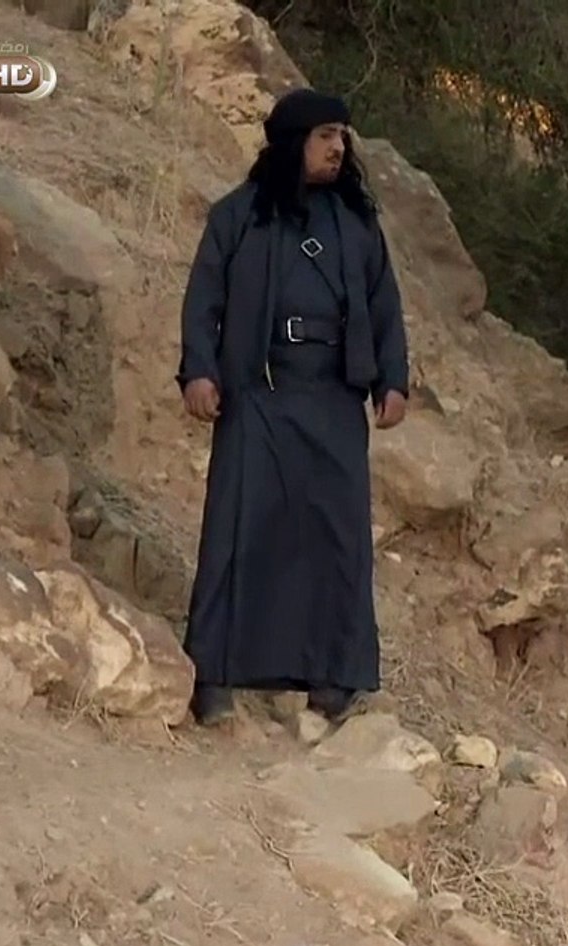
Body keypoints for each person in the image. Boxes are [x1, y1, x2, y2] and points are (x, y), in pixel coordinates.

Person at [175, 86, 410, 726]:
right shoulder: (238, 216)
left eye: (342, 136)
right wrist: (200, 372)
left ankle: (334, 678)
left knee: (337, 539)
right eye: (325, 135)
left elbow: (385, 306)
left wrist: (392, 380)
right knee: (239, 530)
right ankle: (214, 675)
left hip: (334, 397)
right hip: (257, 395)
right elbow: (203, 301)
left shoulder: (357, 223)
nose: (339, 147)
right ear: (292, 142)